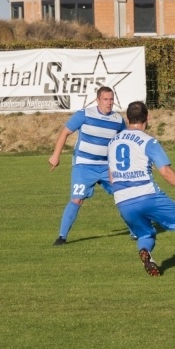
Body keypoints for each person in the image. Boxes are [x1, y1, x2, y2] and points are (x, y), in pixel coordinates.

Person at [108, 101, 175, 276]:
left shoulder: (113, 142)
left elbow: (111, 175)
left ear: (127, 118)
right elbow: (165, 172)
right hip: (147, 194)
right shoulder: (148, 141)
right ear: (147, 118)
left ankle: (145, 251)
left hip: (122, 200)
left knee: (145, 234)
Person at [49, 86, 126, 246]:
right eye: (105, 99)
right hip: (84, 166)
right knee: (77, 199)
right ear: (98, 100)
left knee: (124, 195)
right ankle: (62, 236)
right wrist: (56, 155)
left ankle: (136, 232)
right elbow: (64, 132)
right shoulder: (84, 114)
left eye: (111, 99)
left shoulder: (118, 120)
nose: (109, 103)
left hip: (107, 167)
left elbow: (125, 141)